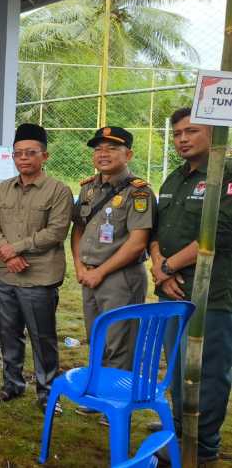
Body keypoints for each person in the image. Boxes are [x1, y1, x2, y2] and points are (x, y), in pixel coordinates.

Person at [149, 107, 232, 465]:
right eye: (178, 132)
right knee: (178, 367)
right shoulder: (174, 178)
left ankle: (205, 447)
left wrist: (168, 265)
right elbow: (156, 230)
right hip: (171, 293)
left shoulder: (226, 176)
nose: (182, 138)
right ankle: (180, 434)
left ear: (214, 136)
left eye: (191, 131)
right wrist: (160, 268)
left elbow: (221, 231)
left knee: (208, 372)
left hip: (212, 295)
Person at [0, 123, 72, 414]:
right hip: (6, 274)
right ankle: (12, 384)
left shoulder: (58, 190)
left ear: (44, 156)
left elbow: (57, 231)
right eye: (18, 153)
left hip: (40, 276)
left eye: (30, 153)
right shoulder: (3, 189)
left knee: (42, 337)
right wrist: (8, 255)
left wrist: (17, 248)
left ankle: (48, 392)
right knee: (8, 332)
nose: (23, 158)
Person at [71, 128, 155, 370]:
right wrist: (79, 266)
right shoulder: (88, 189)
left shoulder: (139, 192)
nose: (103, 154)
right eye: (98, 149)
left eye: (112, 148)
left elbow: (137, 243)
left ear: (128, 154)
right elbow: (78, 230)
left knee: (120, 344)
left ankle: (116, 403)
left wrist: (100, 272)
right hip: (89, 275)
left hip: (120, 278)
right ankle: (99, 394)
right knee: (97, 338)